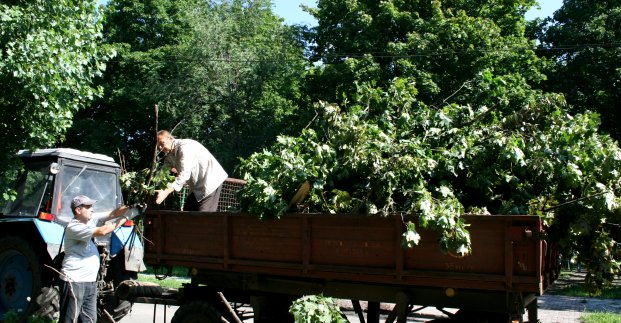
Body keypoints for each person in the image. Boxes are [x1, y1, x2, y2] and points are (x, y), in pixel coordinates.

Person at [58, 195, 130, 323]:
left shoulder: (89, 220)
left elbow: (113, 213)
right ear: (78, 210)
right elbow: (103, 231)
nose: (92, 209)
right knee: (69, 319)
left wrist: (131, 206)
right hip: (74, 282)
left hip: (90, 282)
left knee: (89, 320)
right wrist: (127, 217)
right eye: (88, 207)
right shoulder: (74, 227)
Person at [155, 130, 228, 211]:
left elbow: (184, 174)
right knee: (187, 213)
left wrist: (166, 192)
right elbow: (162, 173)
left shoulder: (185, 147)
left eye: (162, 144)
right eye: (159, 146)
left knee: (203, 217)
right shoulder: (169, 156)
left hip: (211, 180)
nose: (160, 148)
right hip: (196, 186)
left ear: (171, 138)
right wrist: (151, 186)